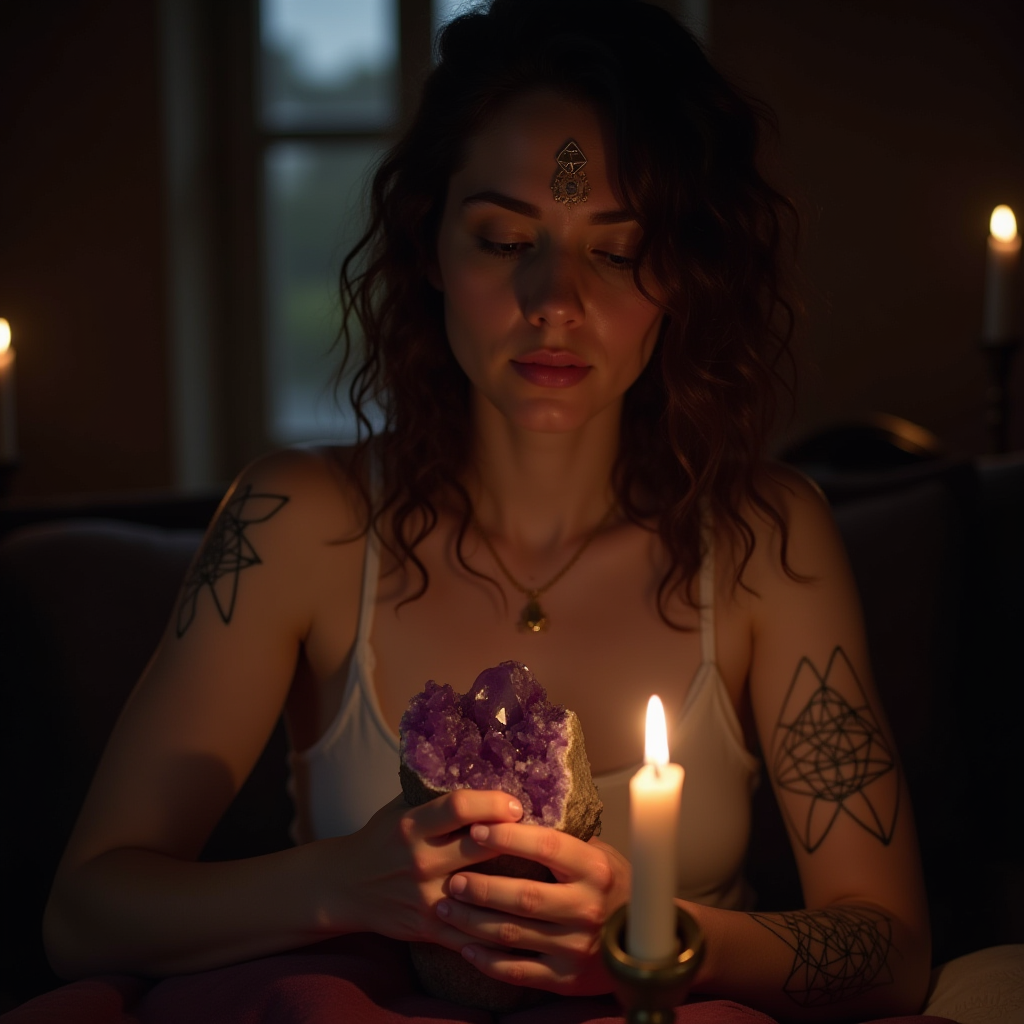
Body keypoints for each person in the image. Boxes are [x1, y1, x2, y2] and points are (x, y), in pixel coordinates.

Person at [42, 0, 932, 1019]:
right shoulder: (297, 523)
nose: (554, 298)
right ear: (429, 248)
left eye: (616, 248)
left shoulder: (767, 541)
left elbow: (890, 950)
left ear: (686, 273)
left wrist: (658, 936)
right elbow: (87, 910)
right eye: (505, 236)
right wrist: (341, 882)